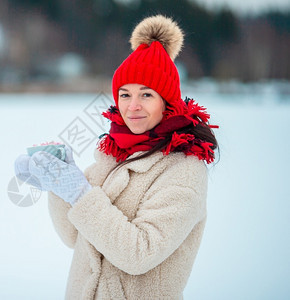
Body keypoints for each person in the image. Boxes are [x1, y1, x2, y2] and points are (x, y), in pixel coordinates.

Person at [14, 15, 218, 299]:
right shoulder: (115, 154)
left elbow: (139, 253)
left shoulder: (183, 169)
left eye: (146, 95)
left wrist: (79, 192)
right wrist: (59, 184)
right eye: (125, 94)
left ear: (167, 101)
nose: (132, 106)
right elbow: (75, 238)